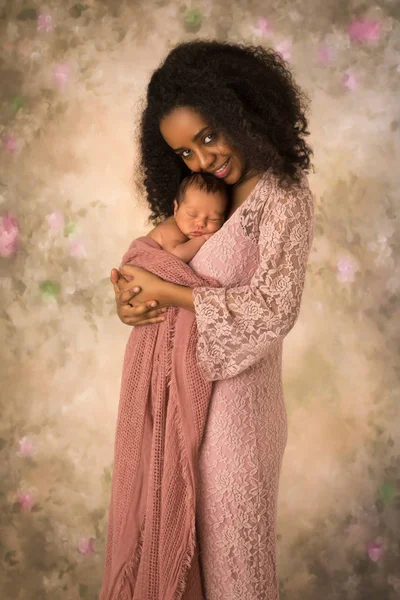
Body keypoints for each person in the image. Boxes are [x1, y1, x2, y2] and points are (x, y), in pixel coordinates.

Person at [107, 39, 315, 599]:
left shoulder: (284, 198)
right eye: (185, 153)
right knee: (193, 563)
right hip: (187, 407)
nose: (203, 159)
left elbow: (274, 309)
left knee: (236, 572)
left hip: (239, 416)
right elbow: (152, 258)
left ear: (240, 108)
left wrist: (171, 296)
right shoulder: (209, 197)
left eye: (207, 135)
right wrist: (132, 297)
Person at [145, 171, 229, 263]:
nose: (201, 223)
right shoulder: (171, 229)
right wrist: (202, 239)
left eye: (213, 219)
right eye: (192, 214)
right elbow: (176, 257)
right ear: (176, 208)